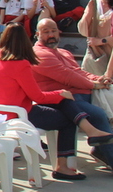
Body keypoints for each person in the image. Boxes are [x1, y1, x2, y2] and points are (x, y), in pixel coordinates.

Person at [0, 23, 113, 180]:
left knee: (63, 101)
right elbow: (38, 97)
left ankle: (90, 132)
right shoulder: (21, 64)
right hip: (19, 114)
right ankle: (62, 166)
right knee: (67, 117)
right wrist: (60, 93)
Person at [31, 19, 113, 166]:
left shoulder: (63, 52)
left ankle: (101, 151)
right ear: (37, 34)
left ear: (59, 32)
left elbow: (78, 72)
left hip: (82, 95)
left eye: (53, 30)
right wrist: (94, 85)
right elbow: (67, 77)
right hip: (63, 101)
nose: (51, 34)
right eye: (46, 31)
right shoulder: (38, 54)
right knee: (98, 113)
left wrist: (99, 79)